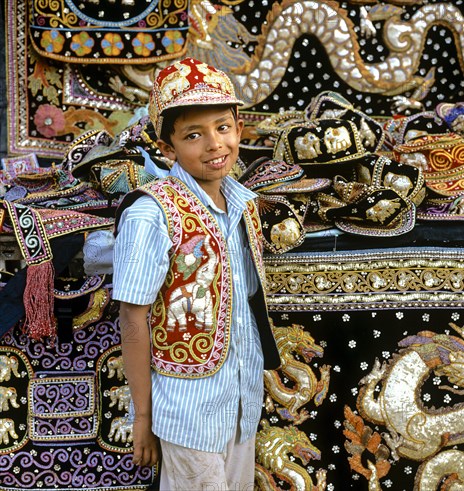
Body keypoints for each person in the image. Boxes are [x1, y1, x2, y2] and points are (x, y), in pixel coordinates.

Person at [112, 57, 281, 491]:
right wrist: (143, 417)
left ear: (240, 128)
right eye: (193, 135)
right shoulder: (152, 214)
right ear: (167, 148)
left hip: (240, 402)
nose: (214, 145)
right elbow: (133, 318)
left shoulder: (242, 204)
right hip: (188, 408)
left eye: (222, 127)